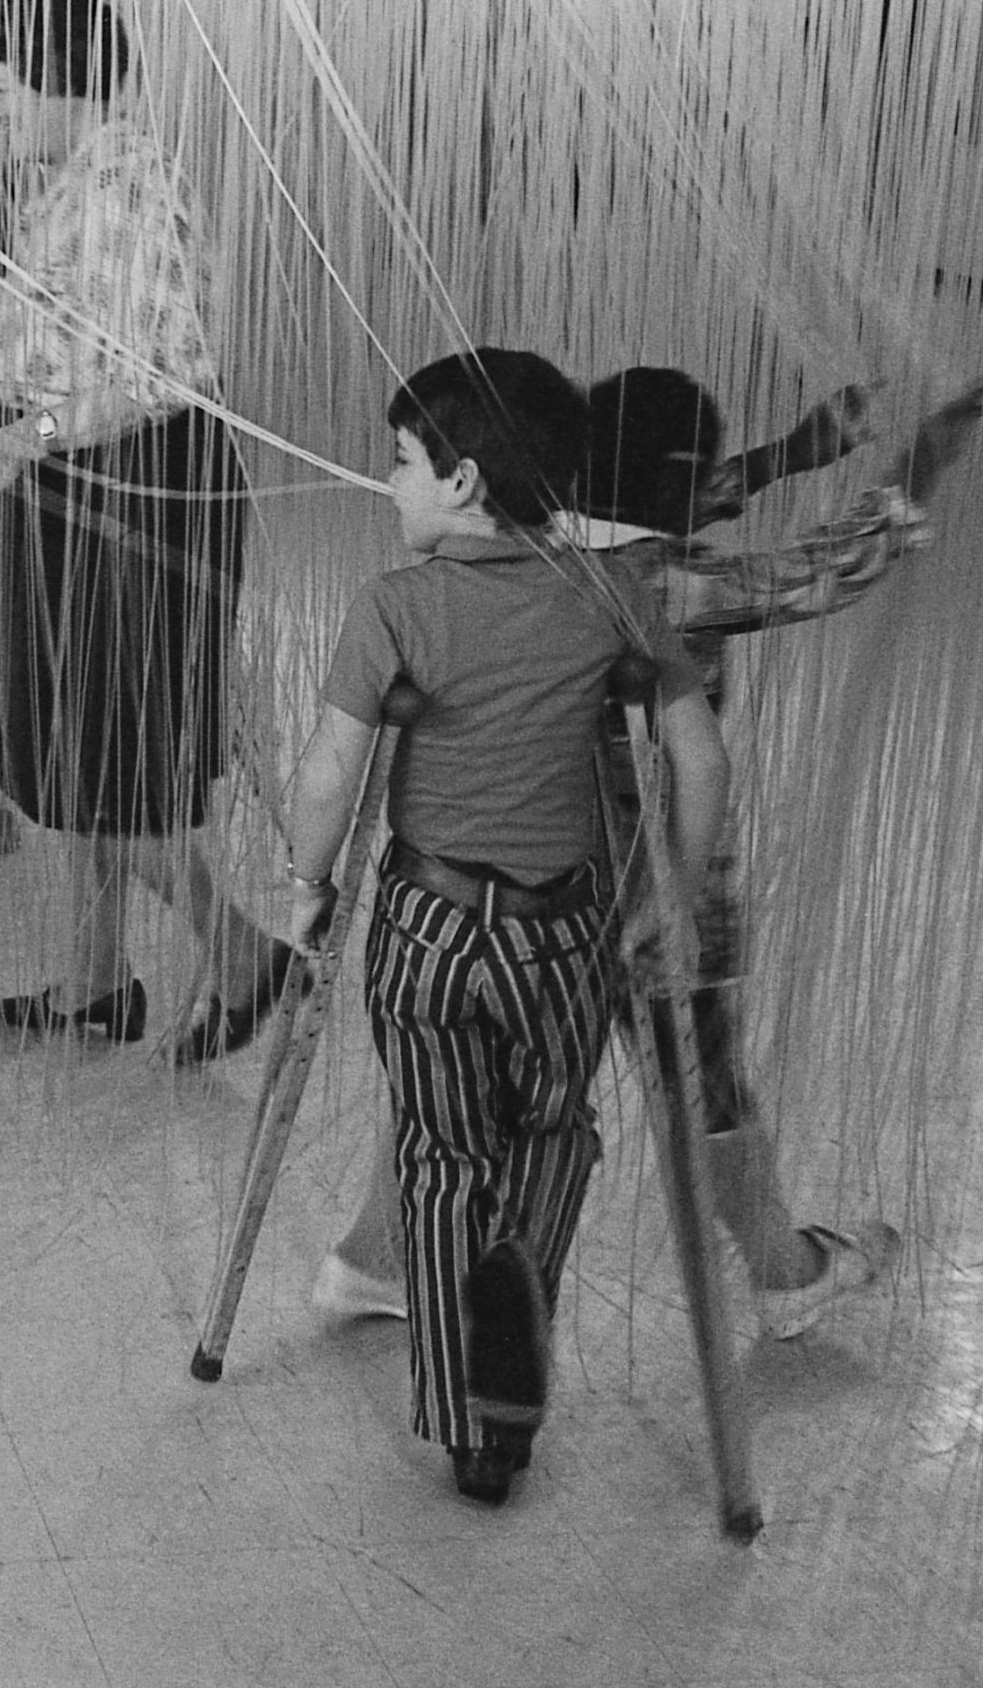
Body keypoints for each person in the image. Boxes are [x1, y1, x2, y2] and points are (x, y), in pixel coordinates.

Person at [313, 370, 983, 1338]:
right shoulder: (673, 585)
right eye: (705, 477)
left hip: (516, 882)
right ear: (679, 485)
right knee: (702, 1081)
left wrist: (799, 451)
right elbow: (844, 558)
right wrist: (940, 435)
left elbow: (671, 498)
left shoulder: (528, 549)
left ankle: (376, 1256)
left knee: (463, 1076)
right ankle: (785, 1270)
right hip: (655, 893)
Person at [285, 349, 730, 1506]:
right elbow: (696, 753)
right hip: (558, 934)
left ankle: (460, 1415)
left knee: (437, 1152)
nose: (386, 486)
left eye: (400, 464)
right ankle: (516, 1296)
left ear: (465, 479)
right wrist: (675, 900)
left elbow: (336, 767)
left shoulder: (394, 607)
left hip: (429, 923)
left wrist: (305, 881)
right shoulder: (611, 593)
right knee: (550, 1131)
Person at [0, 0, 283, 1064]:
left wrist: (20, 438)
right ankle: (94, 988)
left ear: (57, 79)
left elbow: (155, 381)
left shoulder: (122, 186)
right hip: (85, 494)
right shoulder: (74, 183)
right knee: (73, 759)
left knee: (117, 774)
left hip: (136, 501)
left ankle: (245, 955)